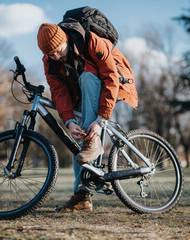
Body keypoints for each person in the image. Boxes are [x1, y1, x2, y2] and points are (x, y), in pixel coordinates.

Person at [37, 20, 138, 213]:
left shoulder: (91, 41)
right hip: (82, 96)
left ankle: (94, 143)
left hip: (116, 82)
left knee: (87, 77)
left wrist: (100, 121)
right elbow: (58, 91)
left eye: (59, 50)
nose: (56, 56)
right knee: (79, 136)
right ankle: (82, 196)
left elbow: (110, 77)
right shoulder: (49, 61)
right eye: (51, 54)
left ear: (65, 38)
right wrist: (69, 121)